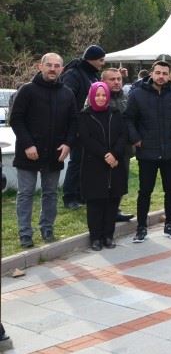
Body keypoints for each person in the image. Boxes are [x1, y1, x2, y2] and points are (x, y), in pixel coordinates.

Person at [11, 53, 77, 248]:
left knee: (50, 193)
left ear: (62, 70)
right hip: (28, 152)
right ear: (40, 66)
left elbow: (74, 122)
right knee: (26, 193)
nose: (52, 69)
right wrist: (27, 144)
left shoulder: (67, 93)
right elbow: (16, 119)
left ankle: (47, 229)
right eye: (49, 65)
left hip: (54, 153)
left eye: (57, 66)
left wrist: (68, 144)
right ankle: (25, 234)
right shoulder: (27, 90)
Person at [125, 60, 171, 243]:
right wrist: (135, 139)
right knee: (145, 191)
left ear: (169, 76)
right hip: (147, 152)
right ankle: (141, 227)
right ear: (151, 74)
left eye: (165, 73)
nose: (161, 76)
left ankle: (170, 225)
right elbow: (128, 119)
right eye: (158, 72)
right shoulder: (137, 95)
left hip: (170, 152)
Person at [78, 82, 128, 251]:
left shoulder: (115, 113)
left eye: (104, 95)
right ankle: (95, 238)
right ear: (92, 96)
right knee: (95, 204)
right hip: (94, 165)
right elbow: (86, 139)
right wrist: (105, 155)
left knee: (112, 202)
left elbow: (123, 136)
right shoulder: (85, 116)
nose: (100, 98)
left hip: (115, 165)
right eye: (97, 95)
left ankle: (108, 236)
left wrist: (115, 154)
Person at [60, 44, 105, 209]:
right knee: (76, 161)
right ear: (91, 59)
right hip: (77, 124)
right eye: (101, 60)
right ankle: (69, 196)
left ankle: (81, 193)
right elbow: (66, 100)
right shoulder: (73, 74)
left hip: (90, 125)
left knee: (86, 161)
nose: (102, 63)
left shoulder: (92, 75)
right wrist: (75, 124)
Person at [101, 68, 135, 223]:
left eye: (119, 79)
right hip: (103, 150)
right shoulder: (97, 96)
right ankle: (103, 213)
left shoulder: (127, 97)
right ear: (103, 81)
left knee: (120, 182)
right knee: (103, 183)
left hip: (124, 149)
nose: (116, 82)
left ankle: (115, 211)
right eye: (112, 79)